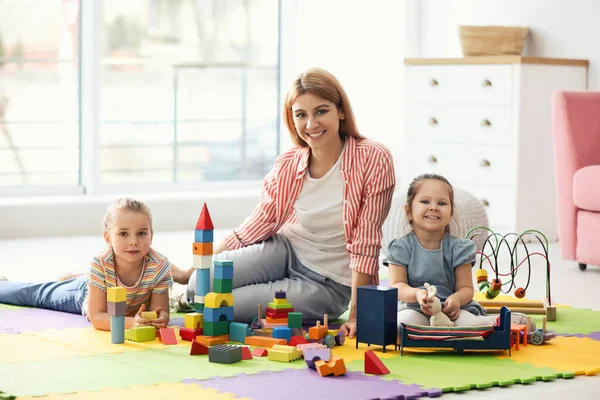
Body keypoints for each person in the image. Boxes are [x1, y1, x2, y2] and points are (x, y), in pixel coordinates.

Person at [171, 67, 395, 336]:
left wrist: (357, 316)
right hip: (285, 250)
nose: (311, 124)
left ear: (341, 111)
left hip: (329, 284)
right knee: (199, 284)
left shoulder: (373, 159)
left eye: (321, 111)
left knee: (220, 306)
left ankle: (194, 304)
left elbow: (365, 244)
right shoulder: (289, 163)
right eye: (301, 115)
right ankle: (187, 297)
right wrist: (190, 270)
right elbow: (254, 227)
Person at [0, 198, 174, 331]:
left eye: (142, 233)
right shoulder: (100, 262)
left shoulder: (159, 265)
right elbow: (97, 317)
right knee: (37, 294)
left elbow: (163, 312)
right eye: (123, 234)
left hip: (122, 305)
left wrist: (160, 319)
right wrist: (132, 323)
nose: (133, 241)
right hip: (84, 294)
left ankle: (75, 276)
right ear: (108, 238)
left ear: (152, 235)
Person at [385, 174, 495, 328]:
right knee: (398, 328)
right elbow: (397, 285)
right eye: (424, 201)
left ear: (451, 213)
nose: (434, 207)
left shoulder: (459, 248)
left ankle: (507, 322)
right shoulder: (400, 248)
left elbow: (466, 288)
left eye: (442, 203)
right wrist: (417, 294)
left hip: (453, 312)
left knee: (479, 327)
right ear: (409, 211)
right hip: (414, 308)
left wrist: (457, 299)